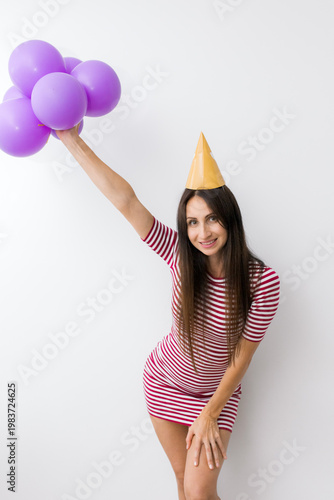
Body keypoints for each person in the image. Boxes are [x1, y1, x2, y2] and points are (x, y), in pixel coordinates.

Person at [56, 127, 280, 500]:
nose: (202, 232)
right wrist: (70, 139)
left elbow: (242, 356)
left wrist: (210, 413)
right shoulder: (179, 256)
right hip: (165, 382)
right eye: (192, 222)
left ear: (230, 219)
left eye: (211, 219)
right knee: (182, 480)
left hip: (216, 394)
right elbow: (126, 201)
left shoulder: (262, 282)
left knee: (199, 491)